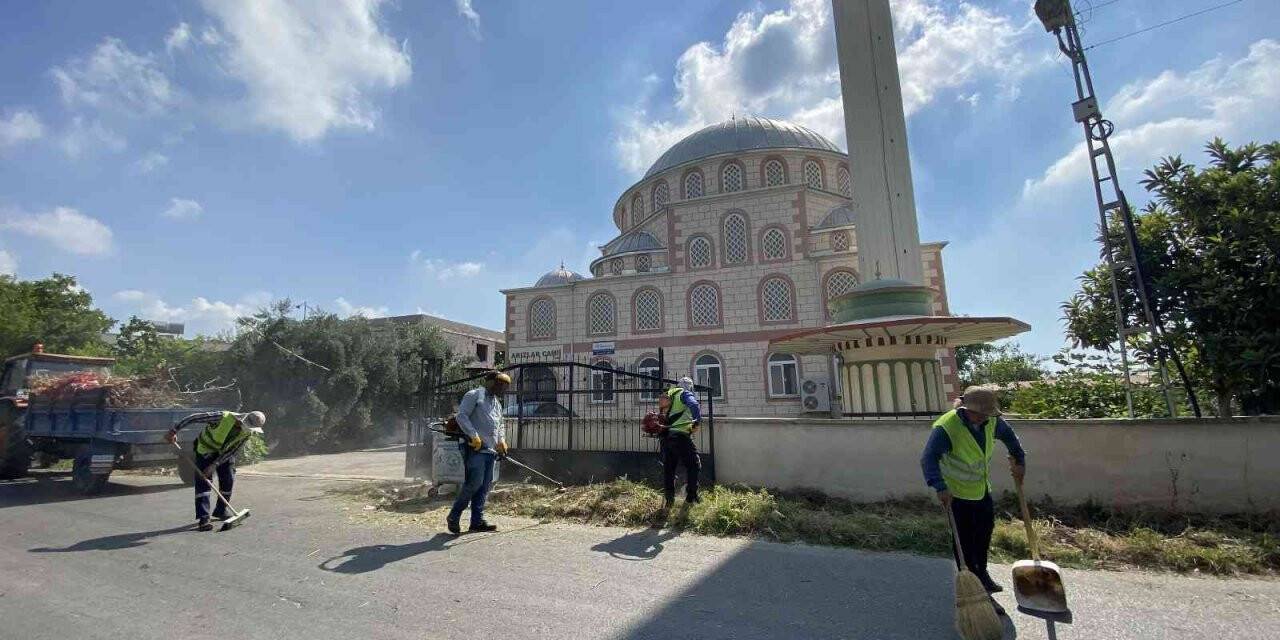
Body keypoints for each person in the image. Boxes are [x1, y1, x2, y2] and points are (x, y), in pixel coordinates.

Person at [921, 386, 1026, 598]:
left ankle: (982, 574)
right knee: (964, 541)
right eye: (979, 414)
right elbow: (928, 459)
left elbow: (1011, 439)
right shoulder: (947, 427)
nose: (983, 418)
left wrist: (1020, 460)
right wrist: (939, 486)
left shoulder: (992, 421)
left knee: (984, 534)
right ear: (966, 409)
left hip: (981, 490)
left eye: (987, 414)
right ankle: (971, 583)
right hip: (956, 494)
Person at [166, 410, 267, 531]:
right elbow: (194, 418)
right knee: (204, 482)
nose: (247, 429)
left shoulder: (247, 433)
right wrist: (174, 431)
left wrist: (215, 465)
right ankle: (204, 518)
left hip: (224, 454)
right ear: (242, 419)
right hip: (205, 450)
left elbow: (233, 450)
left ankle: (221, 510)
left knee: (228, 479)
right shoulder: (222, 417)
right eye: (247, 426)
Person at [447, 370, 510, 535]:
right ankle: (454, 515)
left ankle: (477, 521)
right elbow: (462, 416)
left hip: (490, 450)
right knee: (474, 483)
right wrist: (473, 435)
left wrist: (501, 441)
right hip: (474, 448)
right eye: (499, 384)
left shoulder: (496, 403)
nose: (502, 388)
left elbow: (500, 425)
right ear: (489, 382)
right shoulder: (474, 395)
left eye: (504, 386)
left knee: (484, 485)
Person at [657, 376, 702, 511]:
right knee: (694, 465)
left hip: (667, 437)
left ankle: (669, 500)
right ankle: (691, 497)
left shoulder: (669, 394)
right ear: (690, 386)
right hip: (681, 436)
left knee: (669, 469)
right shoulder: (684, 393)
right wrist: (697, 421)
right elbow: (694, 405)